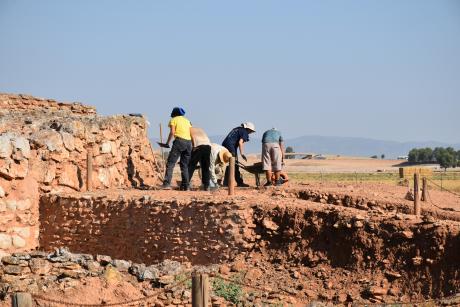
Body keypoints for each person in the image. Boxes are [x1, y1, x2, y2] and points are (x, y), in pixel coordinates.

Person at [161, 107, 192, 190]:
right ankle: (186, 186)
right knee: (184, 165)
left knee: (170, 163)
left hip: (179, 141)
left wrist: (167, 143)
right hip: (189, 143)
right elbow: (191, 133)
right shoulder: (187, 121)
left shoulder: (173, 120)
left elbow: (172, 132)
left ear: (174, 113)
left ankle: (166, 184)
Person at [222, 122, 256, 187]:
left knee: (233, 164)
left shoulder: (237, 129)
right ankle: (237, 182)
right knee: (234, 164)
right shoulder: (244, 132)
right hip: (231, 147)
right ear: (248, 129)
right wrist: (242, 153)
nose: (251, 133)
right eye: (251, 131)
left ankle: (227, 182)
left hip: (225, 146)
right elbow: (240, 142)